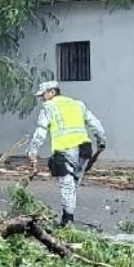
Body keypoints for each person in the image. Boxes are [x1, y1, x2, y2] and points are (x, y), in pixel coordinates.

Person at [26, 81, 106, 226]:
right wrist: (101, 141)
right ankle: (68, 217)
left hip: (64, 151)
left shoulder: (49, 107)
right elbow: (95, 124)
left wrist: (32, 151)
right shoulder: (78, 104)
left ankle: (67, 221)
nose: (42, 99)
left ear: (52, 92)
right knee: (73, 184)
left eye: (43, 95)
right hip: (84, 150)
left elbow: (41, 131)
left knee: (67, 185)